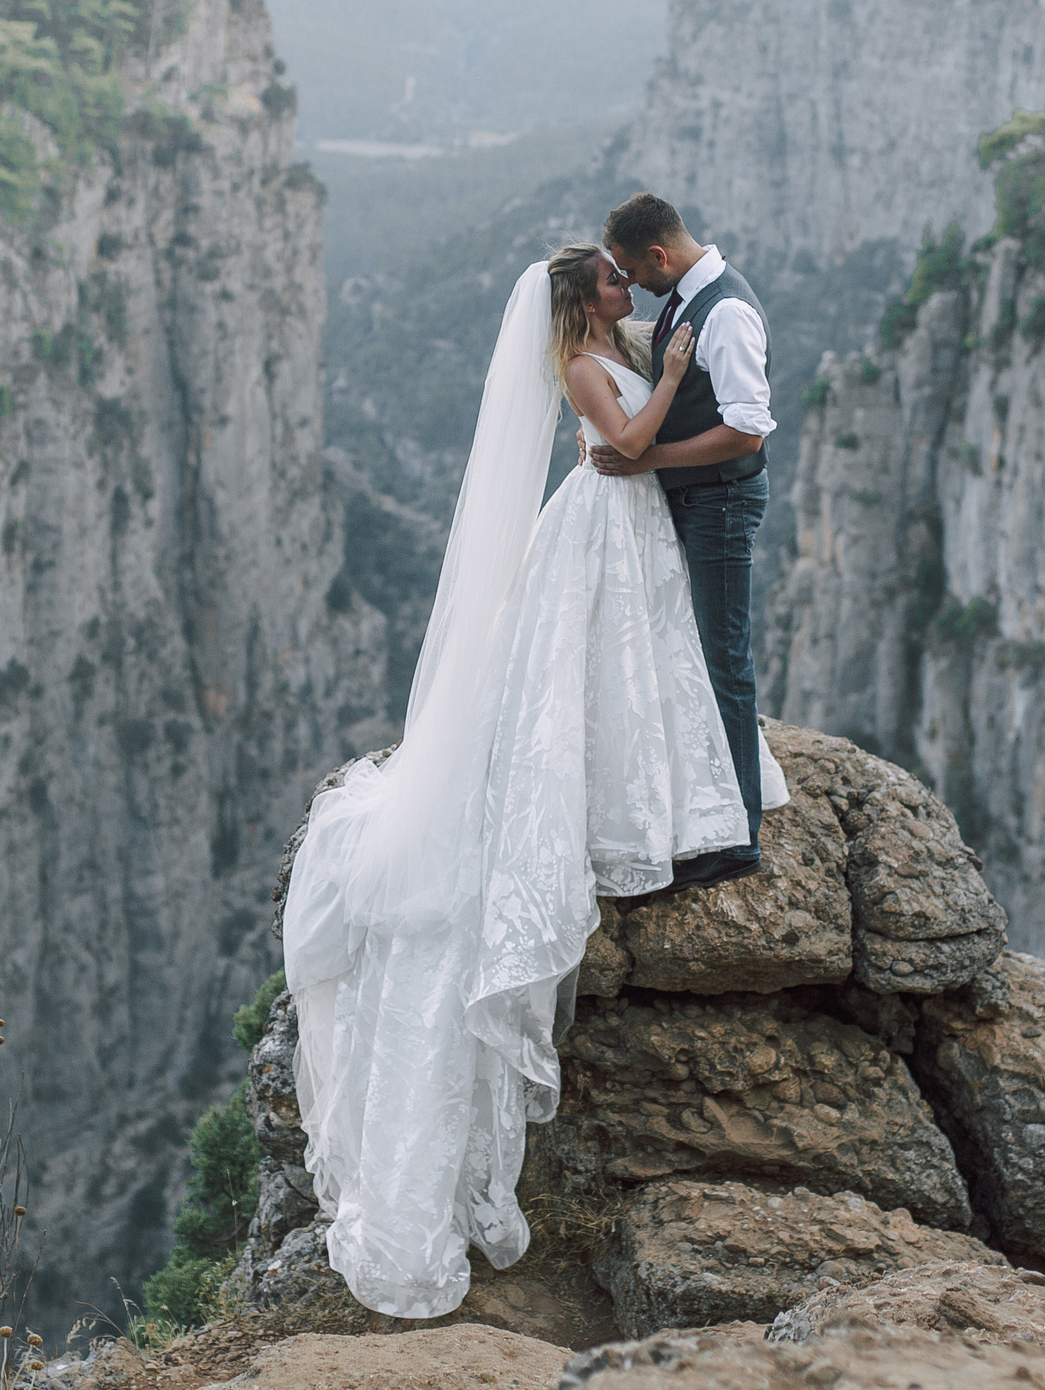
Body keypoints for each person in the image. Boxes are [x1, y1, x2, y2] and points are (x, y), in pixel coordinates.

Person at [281, 243, 786, 1319]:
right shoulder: (584, 367)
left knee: (640, 658)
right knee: (577, 675)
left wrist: (686, 341)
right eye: (611, 281)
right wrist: (669, 388)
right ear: (579, 303)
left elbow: (671, 377)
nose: (626, 289)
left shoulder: (624, 341)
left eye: (625, 273)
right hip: (606, 516)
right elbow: (627, 444)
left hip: (629, 525)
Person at [592, 191, 774, 892]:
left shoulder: (723, 311)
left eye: (636, 272)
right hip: (698, 500)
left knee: (723, 654)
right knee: (698, 649)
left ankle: (738, 837)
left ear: (660, 255)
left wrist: (648, 460)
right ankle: (712, 809)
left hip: (720, 501)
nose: (633, 285)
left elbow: (748, 428)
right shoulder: (688, 297)